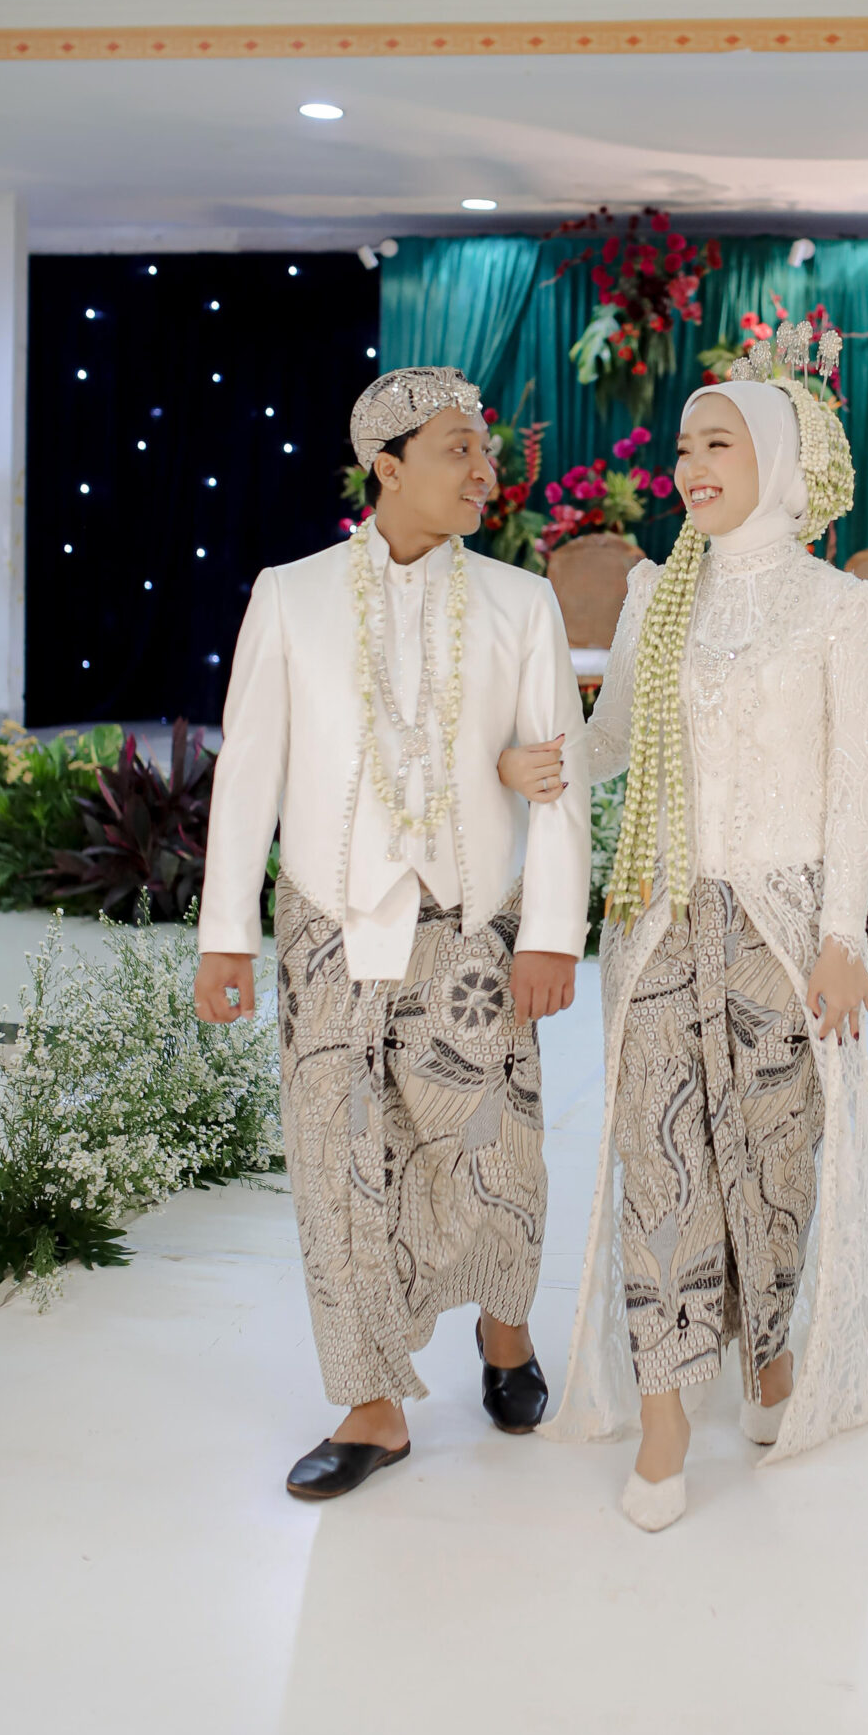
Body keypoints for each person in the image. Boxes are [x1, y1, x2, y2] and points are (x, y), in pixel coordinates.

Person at [502, 322, 868, 1532]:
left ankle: (768, 1353)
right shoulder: (657, 594)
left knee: (772, 1158)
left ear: (777, 459)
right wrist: (541, 763)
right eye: (683, 447)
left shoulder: (841, 607)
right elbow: (613, 738)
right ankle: (663, 1418)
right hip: (657, 915)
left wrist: (844, 935)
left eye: (718, 444)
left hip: (780, 921)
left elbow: (856, 783)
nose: (691, 466)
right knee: (657, 1154)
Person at [195, 367, 590, 1501]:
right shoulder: (292, 595)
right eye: (460, 449)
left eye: (486, 451)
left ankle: (504, 1326)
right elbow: (250, 769)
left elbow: (556, 776)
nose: (485, 471)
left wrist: (552, 932)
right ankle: (372, 1405)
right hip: (331, 924)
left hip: (474, 929)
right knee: (339, 1162)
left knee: (497, 1147)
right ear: (388, 465)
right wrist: (225, 933)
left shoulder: (521, 602)